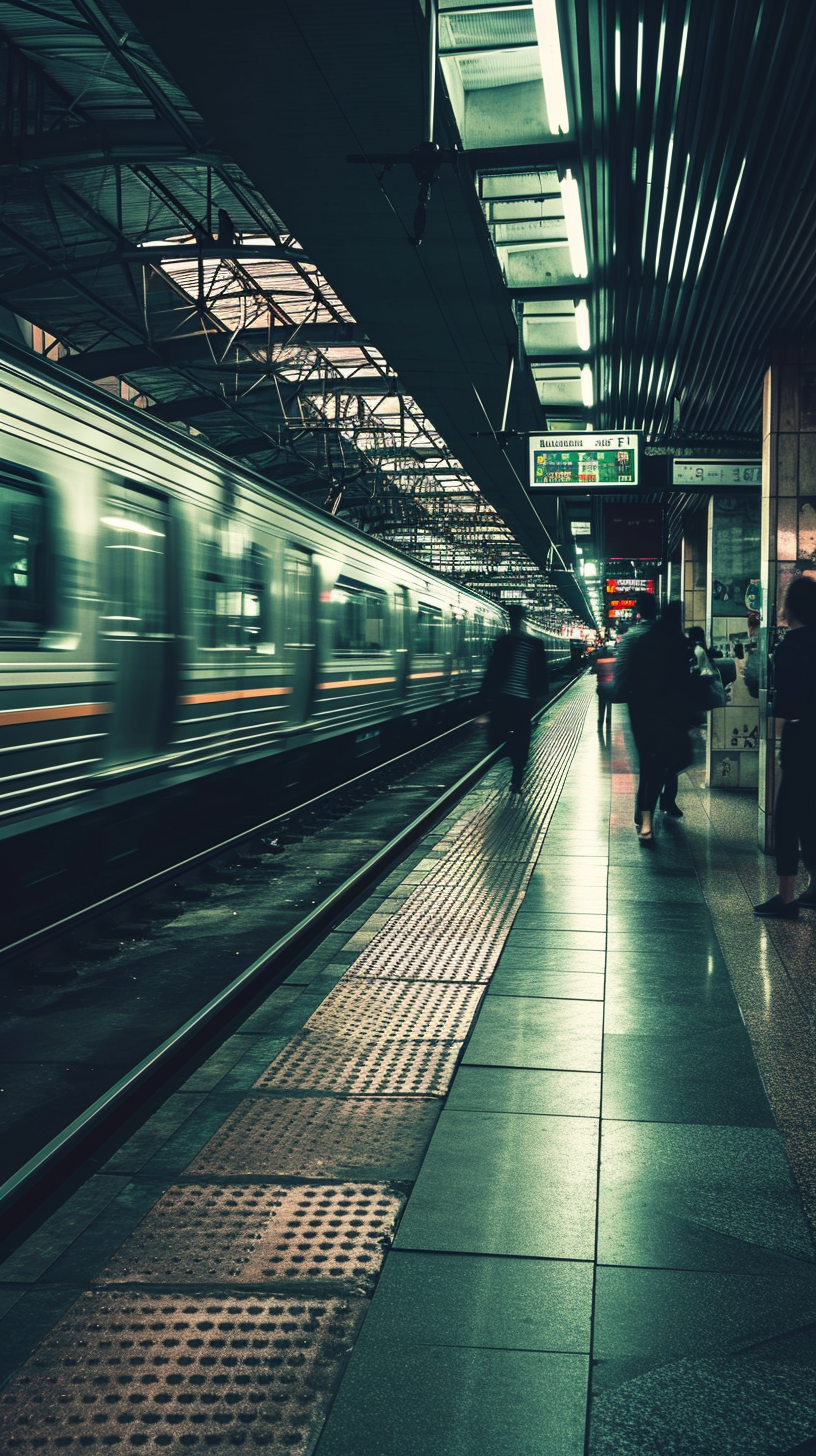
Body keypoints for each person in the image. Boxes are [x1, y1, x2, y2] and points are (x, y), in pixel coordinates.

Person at [754, 574, 816, 918]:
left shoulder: (790, 647)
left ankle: (787, 898)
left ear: (790, 607)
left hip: (802, 738)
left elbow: (788, 705)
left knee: (788, 817)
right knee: (810, 815)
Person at [613, 592, 693, 845]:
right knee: (667, 762)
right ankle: (661, 804)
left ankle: (645, 820)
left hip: (642, 710)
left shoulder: (638, 639)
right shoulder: (679, 642)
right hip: (669, 711)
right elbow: (683, 681)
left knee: (649, 764)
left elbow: (624, 672)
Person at [477, 604, 549, 794]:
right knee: (522, 738)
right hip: (522, 702)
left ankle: (512, 766)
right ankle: (517, 776)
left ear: (510, 619)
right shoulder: (535, 643)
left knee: (499, 738)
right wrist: (539, 699)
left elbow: (492, 672)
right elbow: (542, 674)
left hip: (503, 700)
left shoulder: (502, 642)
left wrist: (484, 700)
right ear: (523, 619)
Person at [591, 638, 616, 735]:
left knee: (601, 704)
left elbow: (594, 670)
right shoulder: (613, 660)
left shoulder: (600, 661)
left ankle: (600, 721)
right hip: (611, 685)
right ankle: (608, 719)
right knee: (609, 703)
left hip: (601, 686)